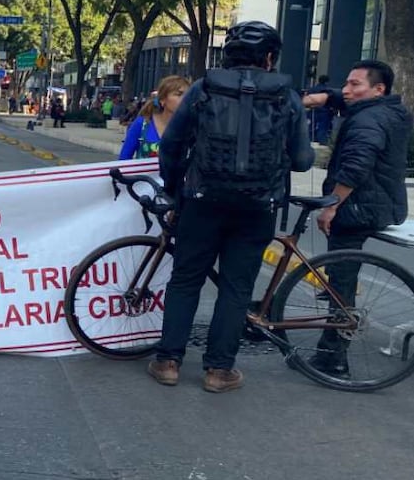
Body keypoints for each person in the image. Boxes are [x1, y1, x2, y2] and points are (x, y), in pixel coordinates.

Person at [150, 21, 314, 393]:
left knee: (186, 279)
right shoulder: (287, 96)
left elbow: (171, 146)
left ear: (228, 54)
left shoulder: (203, 88)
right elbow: (303, 160)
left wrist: (176, 193)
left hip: (202, 201)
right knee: (236, 287)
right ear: (270, 58)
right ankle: (218, 371)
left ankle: (167, 362)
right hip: (258, 206)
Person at [302, 60, 412, 376]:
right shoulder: (388, 110)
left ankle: (333, 356)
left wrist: (332, 205)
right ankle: (337, 311)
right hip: (378, 203)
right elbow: (347, 97)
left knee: (343, 281)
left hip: (358, 208)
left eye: (354, 85)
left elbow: (356, 166)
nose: (347, 90)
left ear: (378, 89)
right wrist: (325, 96)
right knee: (342, 271)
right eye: (346, 83)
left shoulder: (369, 121)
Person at [118, 75, 190, 160]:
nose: (185, 99)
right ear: (162, 100)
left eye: (188, 94)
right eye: (179, 94)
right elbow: (123, 160)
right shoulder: (141, 124)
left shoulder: (191, 127)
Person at [304, 75, 336, 144]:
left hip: (313, 111)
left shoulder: (312, 89)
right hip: (324, 111)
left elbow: (307, 99)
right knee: (323, 128)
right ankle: (322, 141)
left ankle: (310, 140)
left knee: (311, 127)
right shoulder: (328, 90)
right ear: (327, 82)